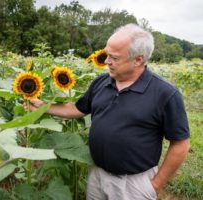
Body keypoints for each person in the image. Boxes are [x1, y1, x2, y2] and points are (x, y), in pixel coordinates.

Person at [26, 23, 190, 200]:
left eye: (114, 57)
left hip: (132, 184)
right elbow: (78, 108)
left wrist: (155, 185)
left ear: (138, 60)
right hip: (97, 175)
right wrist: (43, 106)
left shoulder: (165, 93)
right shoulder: (101, 82)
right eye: (107, 54)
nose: (106, 61)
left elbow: (180, 144)